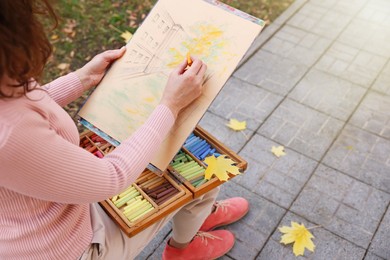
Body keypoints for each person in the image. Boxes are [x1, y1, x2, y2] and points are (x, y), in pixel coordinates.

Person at [0, 1, 249, 259]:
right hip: (72, 247)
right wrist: (170, 105)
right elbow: (112, 177)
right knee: (204, 180)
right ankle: (183, 249)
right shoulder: (7, 135)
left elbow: (23, 102)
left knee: (185, 163)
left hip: (58, 211)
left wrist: (82, 78)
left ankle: (198, 217)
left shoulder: (5, 86)